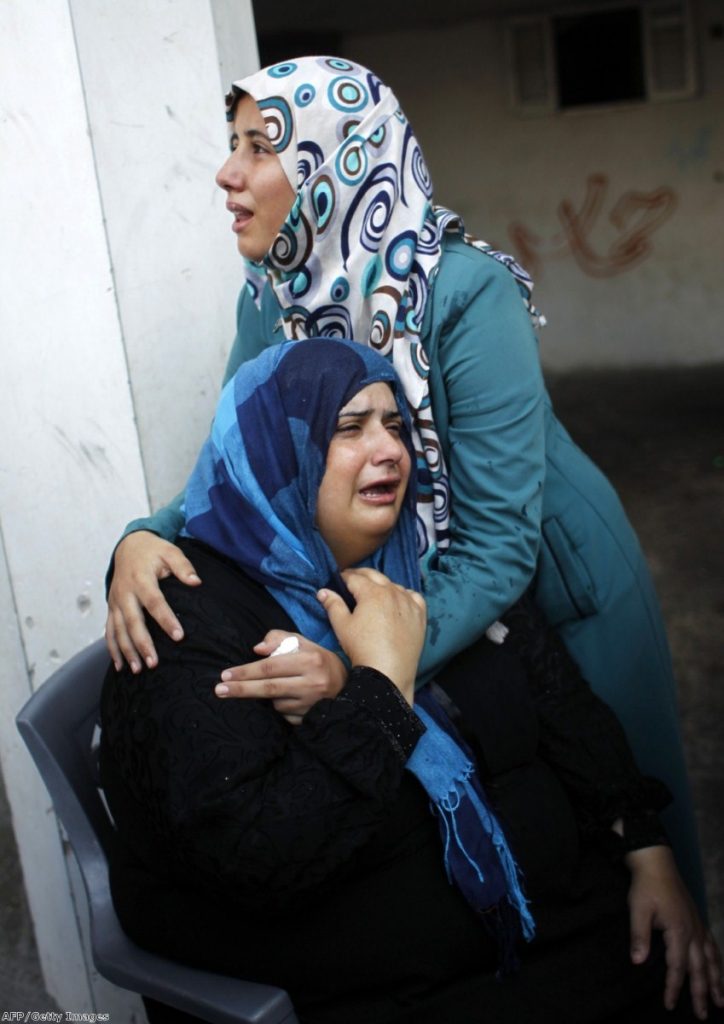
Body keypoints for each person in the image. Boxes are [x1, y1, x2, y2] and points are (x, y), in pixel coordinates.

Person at [104, 55, 705, 908]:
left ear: (335, 159)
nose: (226, 172)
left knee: (640, 829)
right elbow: (236, 462)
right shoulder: (272, 297)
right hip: (412, 575)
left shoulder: (464, 289)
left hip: (550, 569)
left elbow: (500, 547)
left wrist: (368, 673)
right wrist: (146, 533)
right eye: (230, 143)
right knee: (521, 801)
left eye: (259, 146)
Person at [100, 339, 722, 1024]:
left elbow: (555, 695)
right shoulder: (185, 618)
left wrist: (642, 839)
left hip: (540, 926)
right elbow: (261, 854)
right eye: (349, 427)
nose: (391, 449)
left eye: (395, 425)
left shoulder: (419, 558)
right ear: (278, 452)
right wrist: (381, 686)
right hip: (389, 985)